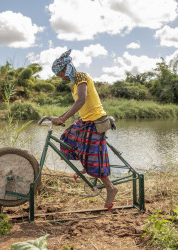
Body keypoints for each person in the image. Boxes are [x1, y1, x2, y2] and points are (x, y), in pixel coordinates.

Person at [50, 49, 118, 209]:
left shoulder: (81, 77)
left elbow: (80, 101)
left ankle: (111, 188)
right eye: (59, 76)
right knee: (67, 138)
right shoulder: (74, 84)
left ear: (67, 68)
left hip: (96, 121)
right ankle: (87, 165)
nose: (62, 78)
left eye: (61, 74)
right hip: (86, 121)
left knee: (94, 158)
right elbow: (77, 105)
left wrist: (63, 119)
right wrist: (60, 117)